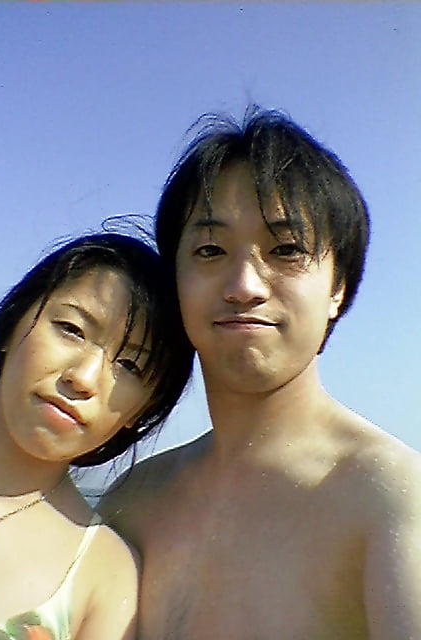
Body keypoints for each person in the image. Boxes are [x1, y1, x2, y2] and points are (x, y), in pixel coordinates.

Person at [98, 109, 421, 639]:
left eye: (287, 250)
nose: (244, 285)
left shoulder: (392, 497)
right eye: (210, 250)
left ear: (337, 287)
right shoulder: (132, 501)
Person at [0, 228, 193, 640]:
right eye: (72, 329)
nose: (84, 378)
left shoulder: (104, 579)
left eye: (130, 366)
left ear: (143, 411)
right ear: (12, 323)